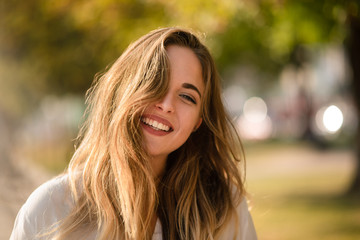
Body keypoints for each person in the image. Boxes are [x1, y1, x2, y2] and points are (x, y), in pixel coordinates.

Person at [10, 27, 257, 240]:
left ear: (197, 123)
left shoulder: (224, 209)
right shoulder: (51, 209)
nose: (167, 104)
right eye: (155, 82)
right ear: (122, 92)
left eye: (187, 96)